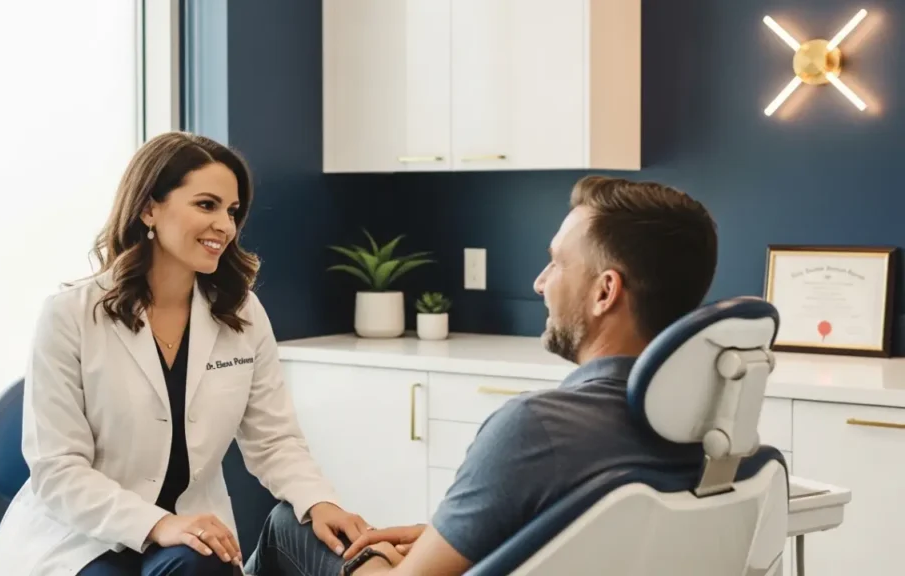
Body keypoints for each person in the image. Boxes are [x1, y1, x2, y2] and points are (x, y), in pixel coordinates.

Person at [240, 175, 720, 576]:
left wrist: (376, 555)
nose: (540, 281)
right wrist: (454, 539)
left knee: (289, 525)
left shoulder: (538, 428)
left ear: (604, 292)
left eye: (556, 262)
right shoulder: (707, 433)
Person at [0, 132, 370, 576]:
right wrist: (159, 523)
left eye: (232, 211)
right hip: (83, 536)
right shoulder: (70, 315)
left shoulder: (239, 313)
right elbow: (57, 469)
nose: (225, 225)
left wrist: (318, 499)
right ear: (149, 208)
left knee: (212, 562)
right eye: (207, 205)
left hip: (190, 535)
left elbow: (274, 439)